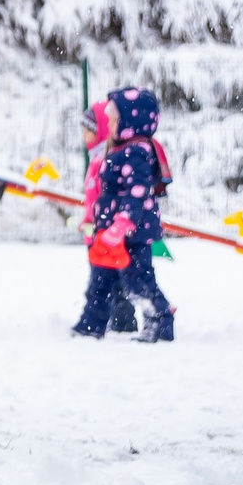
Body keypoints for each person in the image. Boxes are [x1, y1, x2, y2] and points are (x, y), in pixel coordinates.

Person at [71, 87, 174, 341]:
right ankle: (90, 325)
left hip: (132, 234)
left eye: (115, 119)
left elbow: (136, 192)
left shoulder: (137, 151)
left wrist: (123, 223)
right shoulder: (117, 150)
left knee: (138, 281)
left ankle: (160, 319)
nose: (111, 124)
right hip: (109, 232)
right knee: (100, 281)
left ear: (131, 122)